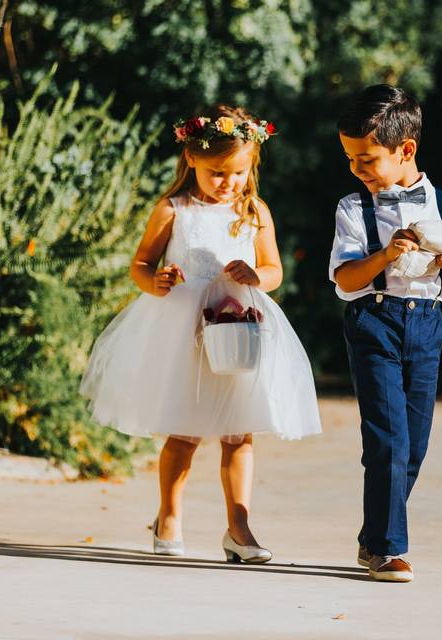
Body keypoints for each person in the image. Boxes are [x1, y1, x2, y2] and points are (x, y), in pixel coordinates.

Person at [81, 105, 321, 562]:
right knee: (184, 432)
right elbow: (141, 265)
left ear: (251, 165)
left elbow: (274, 270)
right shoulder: (173, 210)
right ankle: (169, 514)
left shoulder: (254, 210)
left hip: (237, 328)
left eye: (237, 172)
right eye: (217, 172)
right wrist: (155, 281)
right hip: (183, 331)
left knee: (240, 432)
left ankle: (239, 526)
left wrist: (257, 275)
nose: (228, 182)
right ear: (191, 159)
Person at [329, 84, 442, 582]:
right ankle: (388, 548)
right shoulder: (354, 208)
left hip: (425, 324)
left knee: (414, 444)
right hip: (373, 320)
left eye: (366, 159)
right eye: (351, 158)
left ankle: (373, 532)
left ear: (406, 150)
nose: (357, 169)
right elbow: (344, 280)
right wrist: (385, 255)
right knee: (387, 440)